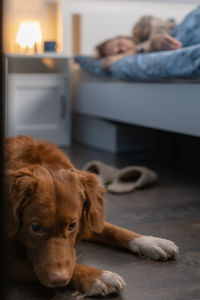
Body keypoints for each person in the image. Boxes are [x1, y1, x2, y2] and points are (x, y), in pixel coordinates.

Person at [96, 7, 200, 71]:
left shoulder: (140, 28)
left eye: (119, 45)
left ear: (121, 37)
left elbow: (158, 29)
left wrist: (151, 44)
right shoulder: (139, 59)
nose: (122, 50)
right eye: (118, 53)